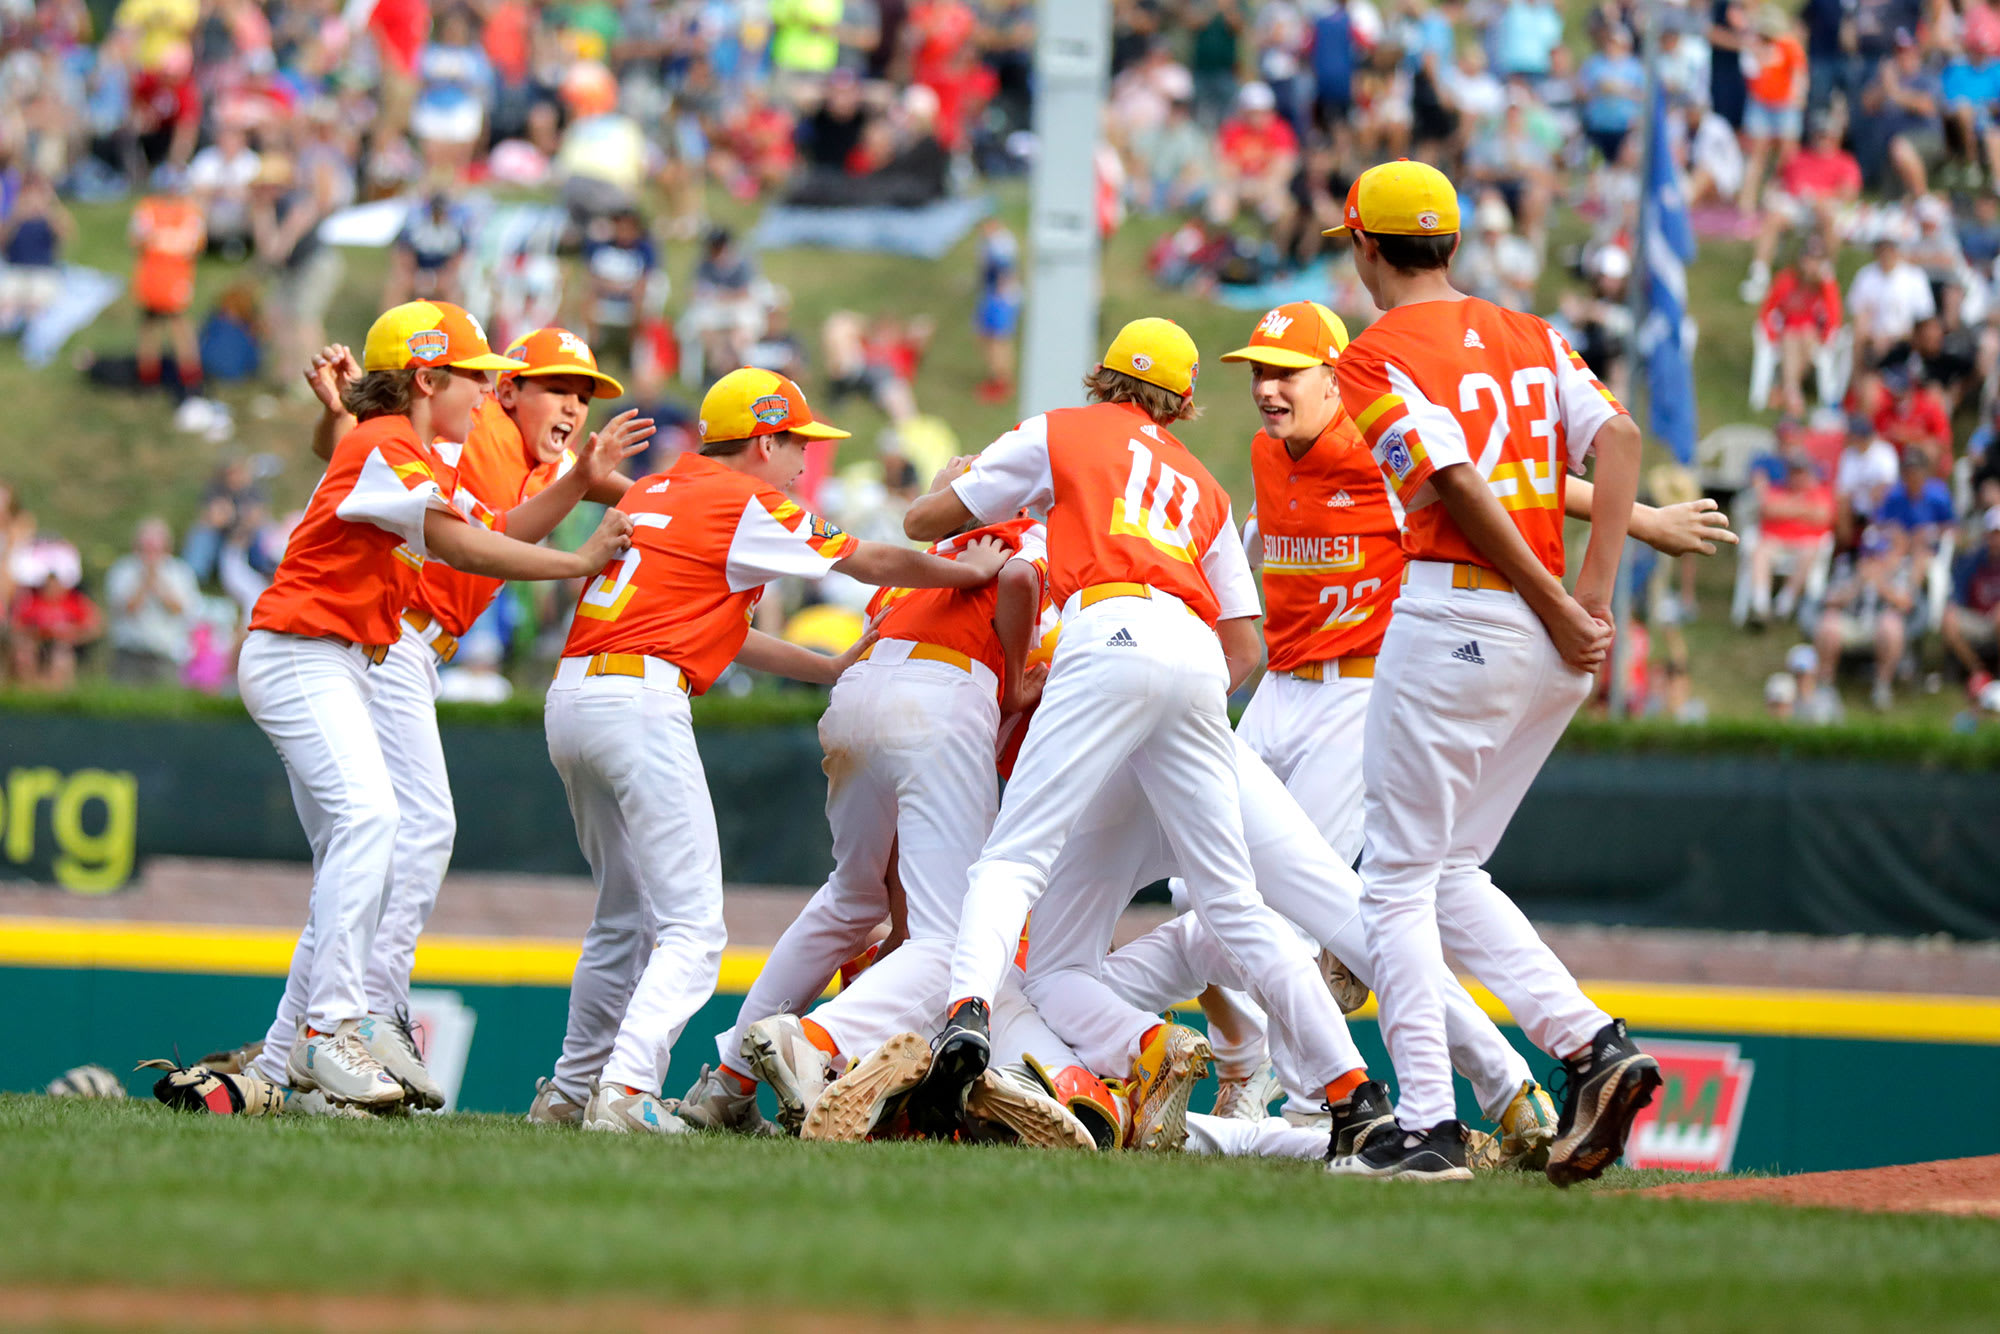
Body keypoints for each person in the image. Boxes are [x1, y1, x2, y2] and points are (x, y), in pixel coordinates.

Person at [902, 319, 1370, 1150]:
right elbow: (1245, 645)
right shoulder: (1205, 481)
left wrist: (965, 479)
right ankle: (1352, 1092)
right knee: (1234, 905)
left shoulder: (1062, 428)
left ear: (1101, 379)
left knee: (1011, 860)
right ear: (1184, 400)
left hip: (1105, 627)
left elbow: (925, 522)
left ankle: (966, 1018)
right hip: (1193, 655)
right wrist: (1169, 707)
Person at [536, 367, 1012, 1133]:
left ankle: (568, 1092)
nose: (803, 463)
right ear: (764, 441)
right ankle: (624, 1095)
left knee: (624, 916)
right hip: (640, 704)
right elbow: (872, 562)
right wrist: (968, 568)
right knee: (693, 928)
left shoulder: (658, 488)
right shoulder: (748, 500)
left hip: (574, 697)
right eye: (798, 444)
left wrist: (823, 667)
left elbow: (714, 627)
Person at [1323, 160, 1658, 1182]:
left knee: (1393, 877)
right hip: (1542, 643)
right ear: (1454, 244)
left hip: (1458, 615)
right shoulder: (1531, 332)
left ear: (1364, 247)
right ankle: (1591, 1045)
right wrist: (1588, 597)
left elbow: (1451, 481)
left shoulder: (1371, 354)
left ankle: (1424, 1123)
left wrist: (1565, 601)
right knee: (1446, 868)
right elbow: (1621, 440)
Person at [240, 301, 636, 1109]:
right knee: (391, 826)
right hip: (319, 651)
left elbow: (465, 518)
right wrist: (578, 561)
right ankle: (350, 1023)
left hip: (352, 654)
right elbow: (455, 539)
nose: (488, 392)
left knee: (363, 851)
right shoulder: (428, 441)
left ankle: (280, 1064)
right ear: (431, 379)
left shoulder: (406, 444)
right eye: (483, 378)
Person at [656, 508, 1058, 1139]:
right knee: (953, 940)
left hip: (861, 689)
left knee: (851, 895)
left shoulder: (937, 553)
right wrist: (1012, 683)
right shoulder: (1028, 528)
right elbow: (1017, 579)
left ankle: (729, 1083)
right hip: (945, 693)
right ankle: (811, 1040)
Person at [130, 170, 206, 396]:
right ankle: (148, 376)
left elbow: (195, 243)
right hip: (154, 273)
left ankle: (189, 378)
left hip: (175, 275)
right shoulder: (148, 208)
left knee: (178, 323)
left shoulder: (189, 211)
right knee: (150, 323)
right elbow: (137, 238)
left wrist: (161, 240)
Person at [104, 516, 200, 684]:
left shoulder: (180, 572)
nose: (150, 555)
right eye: (145, 549)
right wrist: (144, 584)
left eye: (155, 549)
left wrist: (159, 587)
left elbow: (182, 610)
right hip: (129, 653)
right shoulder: (122, 570)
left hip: (166, 654)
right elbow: (126, 609)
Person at [8, 565, 101, 690]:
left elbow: (95, 626)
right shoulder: (32, 601)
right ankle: (27, 691)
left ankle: (58, 692)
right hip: (37, 643)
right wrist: (34, 633)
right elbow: (16, 626)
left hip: (64, 645)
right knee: (24, 655)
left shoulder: (75, 601)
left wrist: (74, 635)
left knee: (61, 656)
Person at [1942, 507, 2000, 697]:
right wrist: (1953, 605)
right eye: (1993, 534)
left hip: (1997, 619)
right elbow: (1956, 593)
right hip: (1976, 616)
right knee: (1949, 619)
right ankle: (1980, 673)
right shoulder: (1972, 560)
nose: (1996, 540)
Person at [974, 218, 1020, 404]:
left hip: (1000, 298)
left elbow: (1005, 270)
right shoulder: (991, 242)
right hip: (992, 294)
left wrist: (1000, 296)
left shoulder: (1001, 244)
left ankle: (1001, 381)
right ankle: (995, 377)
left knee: (998, 340)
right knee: (987, 338)